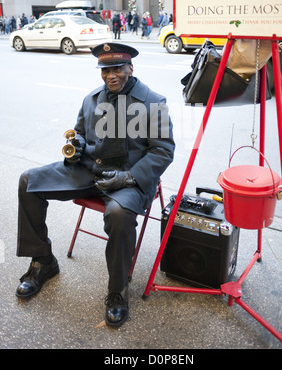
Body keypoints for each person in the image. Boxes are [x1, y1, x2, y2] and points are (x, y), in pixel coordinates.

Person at [15, 43, 175, 327]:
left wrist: (128, 178)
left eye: (117, 69)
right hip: (89, 171)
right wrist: (76, 147)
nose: (110, 76)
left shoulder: (152, 102)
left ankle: (117, 291)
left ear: (130, 68)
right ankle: (43, 261)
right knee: (29, 182)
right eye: (105, 70)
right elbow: (78, 133)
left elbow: (163, 150)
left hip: (129, 178)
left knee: (117, 214)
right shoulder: (92, 99)